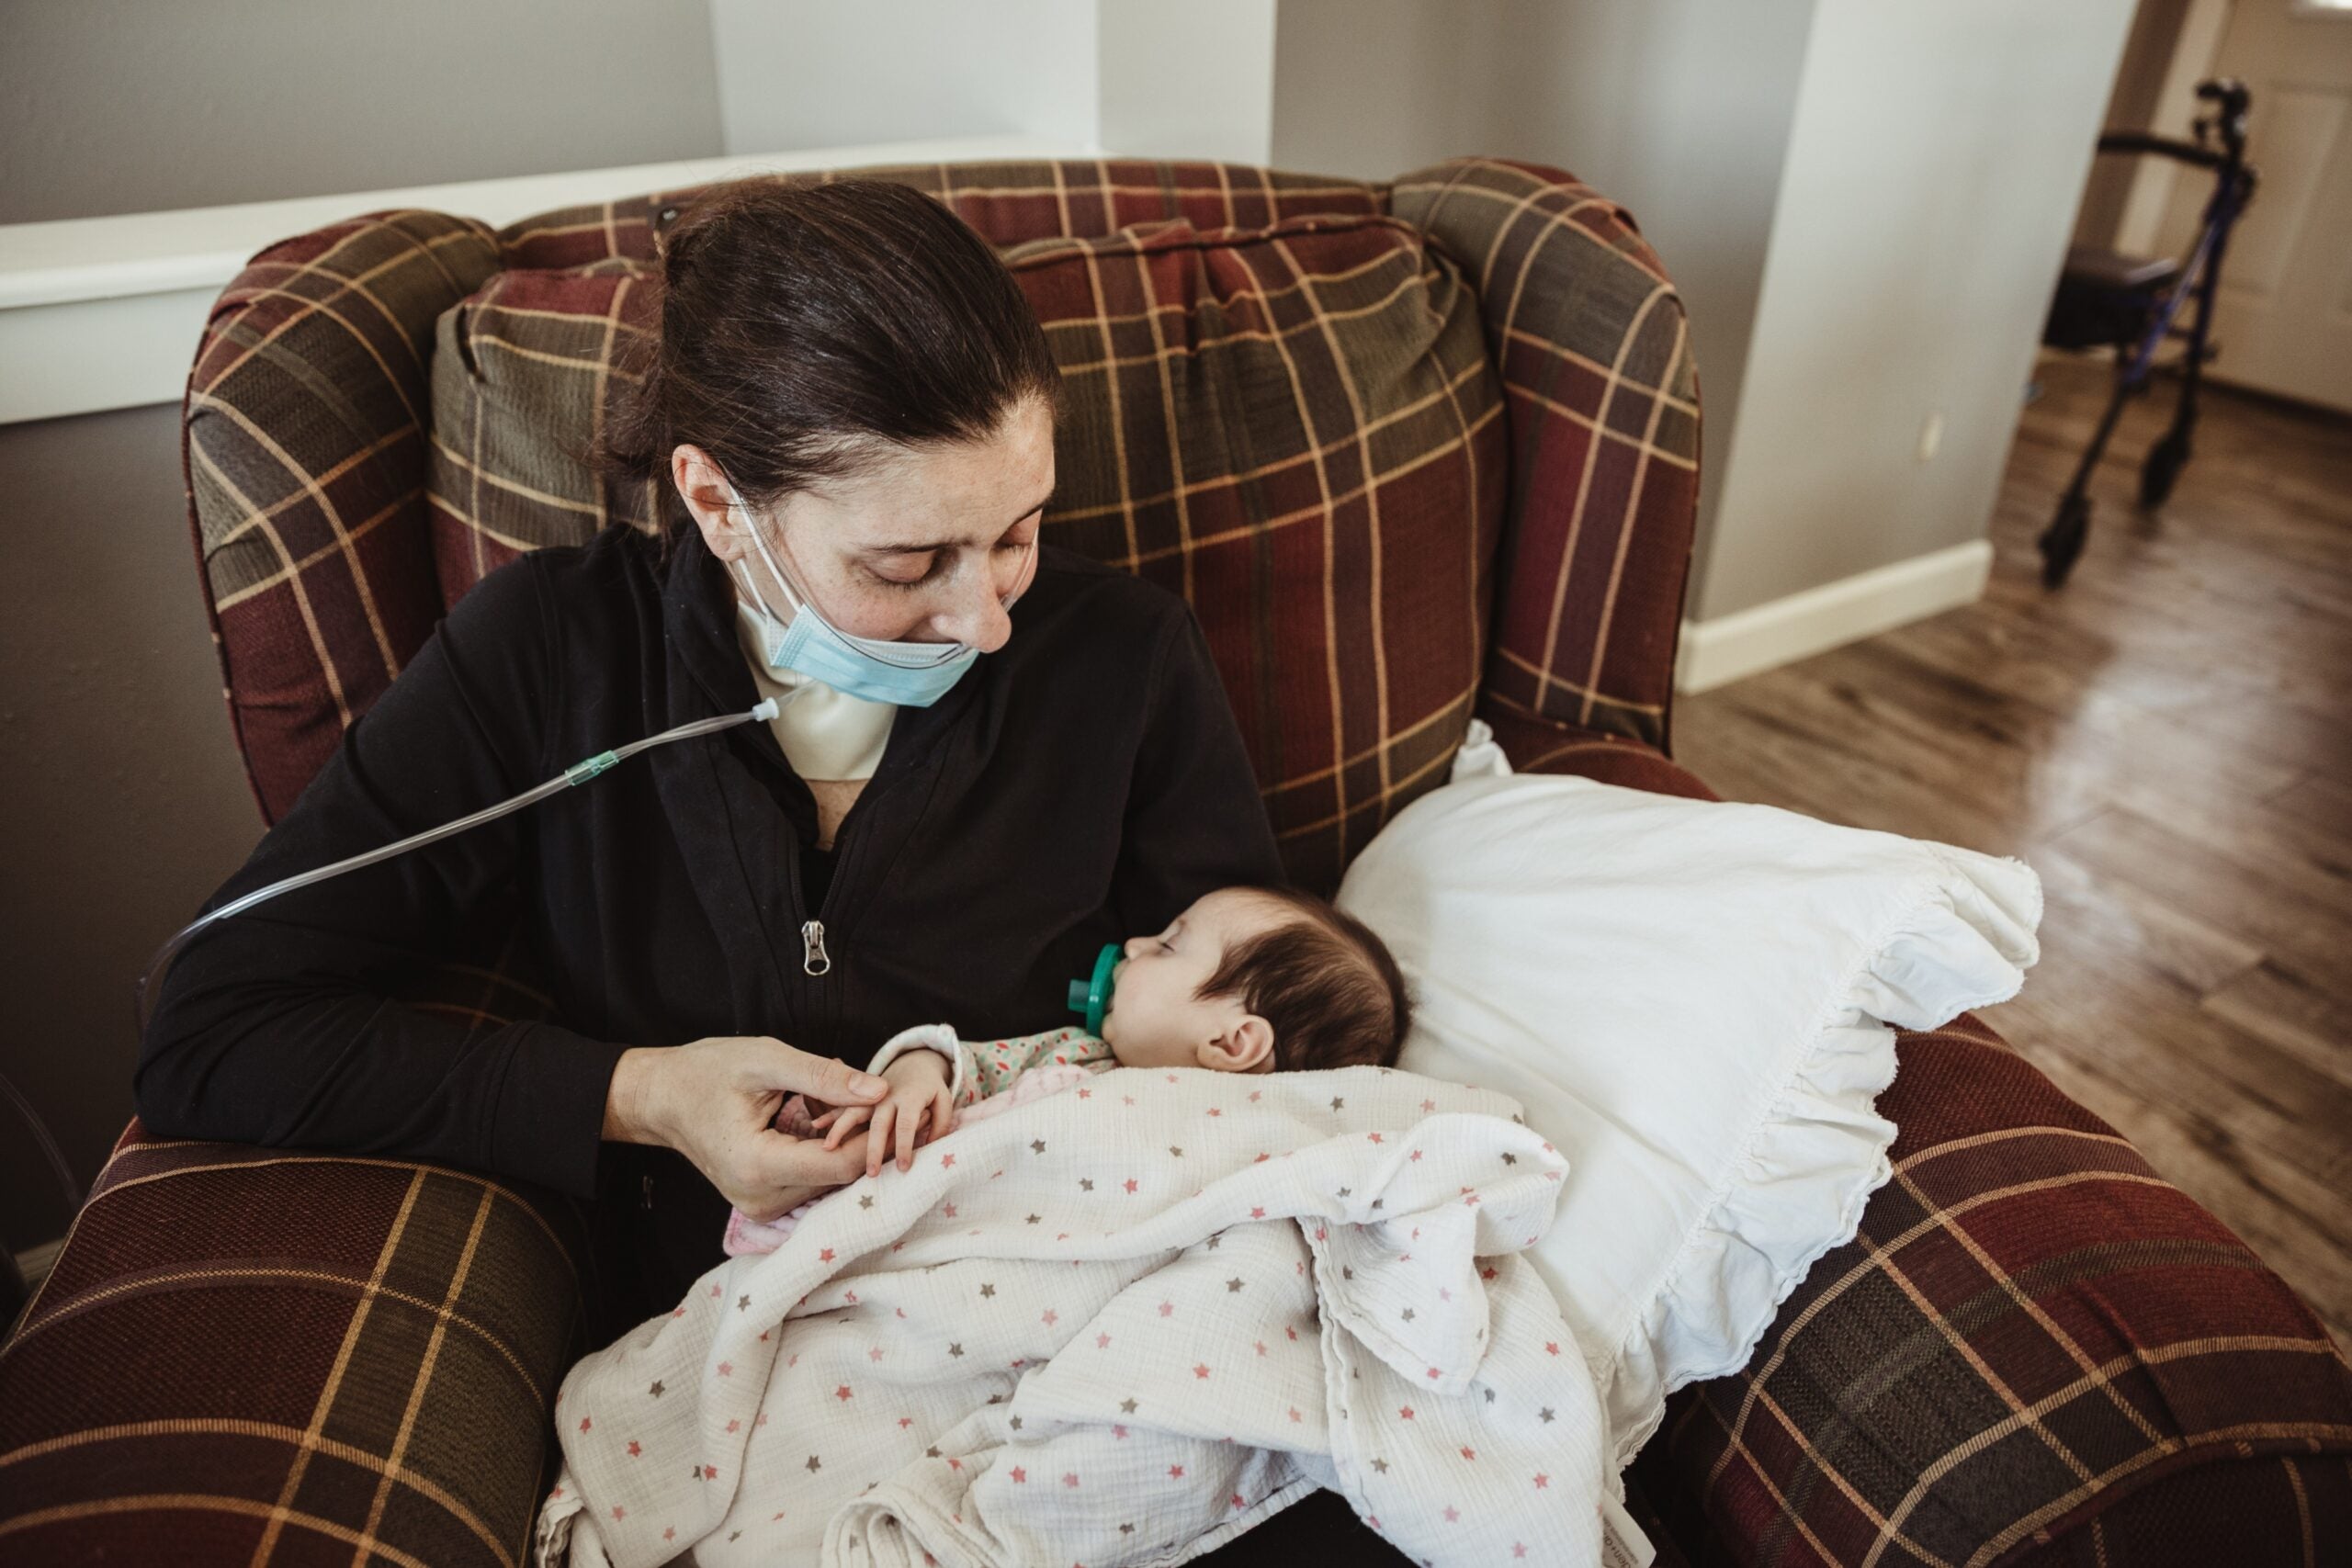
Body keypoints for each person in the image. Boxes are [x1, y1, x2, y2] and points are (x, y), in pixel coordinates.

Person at [720, 882, 1413, 1255]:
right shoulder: (1077, 1055)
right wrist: (916, 1073)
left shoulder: (1267, 1146)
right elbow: (971, 1065)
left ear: (1233, 1044)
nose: (1135, 943)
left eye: (1169, 946)